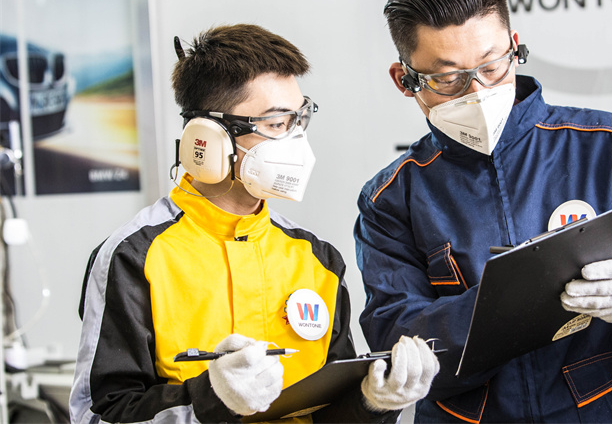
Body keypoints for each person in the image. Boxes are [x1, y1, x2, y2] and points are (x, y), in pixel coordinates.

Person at [354, 0, 612, 423]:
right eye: (448, 78)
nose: (478, 92)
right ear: (405, 80)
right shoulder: (391, 199)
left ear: (515, 46)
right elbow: (396, 333)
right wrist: (509, 303)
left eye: (493, 65)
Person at [70, 23, 439, 423]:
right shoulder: (134, 257)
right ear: (208, 139)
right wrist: (212, 399)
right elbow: (96, 416)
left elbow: (328, 412)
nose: (296, 142)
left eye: (300, 120)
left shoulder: (315, 258)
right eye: (277, 124)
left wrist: (371, 402)